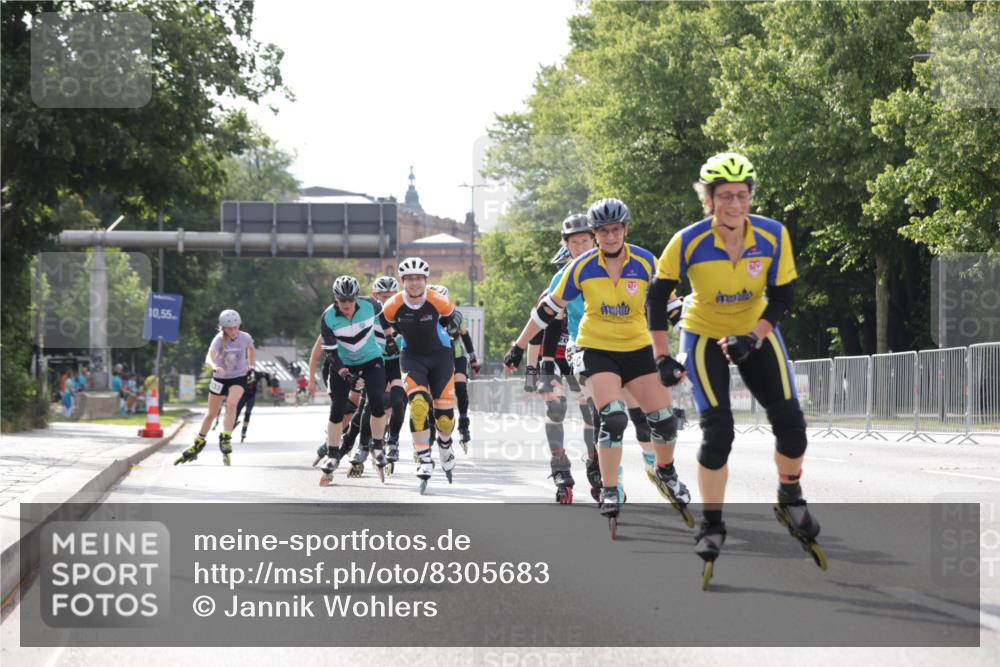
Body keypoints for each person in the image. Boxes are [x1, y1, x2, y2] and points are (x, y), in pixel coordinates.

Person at [646, 152, 824, 584]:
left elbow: (784, 296)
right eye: (724, 196)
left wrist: (755, 336)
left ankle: (789, 494)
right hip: (704, 333)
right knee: (719, 431)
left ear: (751, 196)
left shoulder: (773, 235)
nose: (734, 204)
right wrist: (662, 356)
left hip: (755, 331)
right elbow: (656, 296)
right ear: (707, 199)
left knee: (791, 423)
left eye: (742, 195)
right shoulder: (687, 240)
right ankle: (711, 523)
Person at [504, 198, 692, 537]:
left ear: (625, 230)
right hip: (593, 348)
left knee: (664, 420)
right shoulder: (580, 268)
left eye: (615, 230)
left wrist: (694, 348)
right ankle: (608, 487)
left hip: (637, 348)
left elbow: (674, 309)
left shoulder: (647, 261)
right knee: (614, 417)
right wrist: (518, 348)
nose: (609, 236)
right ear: (595, 234)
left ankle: (665, 470)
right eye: (603, 231)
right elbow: (546, 312)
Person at [379, 257, 462, 494]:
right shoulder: (393, 304)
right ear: (403, 281)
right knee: (417, 406)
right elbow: (384, 320)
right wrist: (389, 339)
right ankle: (424, 457)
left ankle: (445, 445)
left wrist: (454, 327)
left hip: (440, 357)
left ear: (426, 280)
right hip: (412, 357)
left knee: (444, 420)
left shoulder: (437, 300)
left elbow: (454, 316)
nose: (414, 283)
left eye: (419, 278)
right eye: (409, 279)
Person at [316, 275, 391, 485]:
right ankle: (332, 454)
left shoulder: (370, 305)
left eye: (351, 300)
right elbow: (331, 354)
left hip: (371, 359)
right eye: (343, 300)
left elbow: (384, 317)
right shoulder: (328, 318)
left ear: (357, 298)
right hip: (343, 363)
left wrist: (390, 337)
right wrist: (345, 374)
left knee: (377, 400)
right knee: (338, 408)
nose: (347, 304)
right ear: (336, 299)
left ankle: (377, 447)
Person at [175, 309, 255, 466]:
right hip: (219, 378)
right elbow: (208, 357)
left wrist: (251, 365)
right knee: (211, 413)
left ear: (239, 326)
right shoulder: (218, 340)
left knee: (232, 404)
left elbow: (252, 349)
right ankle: (199, 441)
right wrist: (214, 366)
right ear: (223, 328)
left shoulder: (245, 337)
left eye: (235, 327)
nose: (232, 331)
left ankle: (225, 437)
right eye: (229, 328)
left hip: (238, 377)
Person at [427, 285, 481, 453]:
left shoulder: (456, 315)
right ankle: (430, 426)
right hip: (435, 359)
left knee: (460, 386)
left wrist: (473, 359)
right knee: (432, 394)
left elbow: (465, 336)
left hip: (457, 357)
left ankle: (464, 425)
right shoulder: (427, 317)